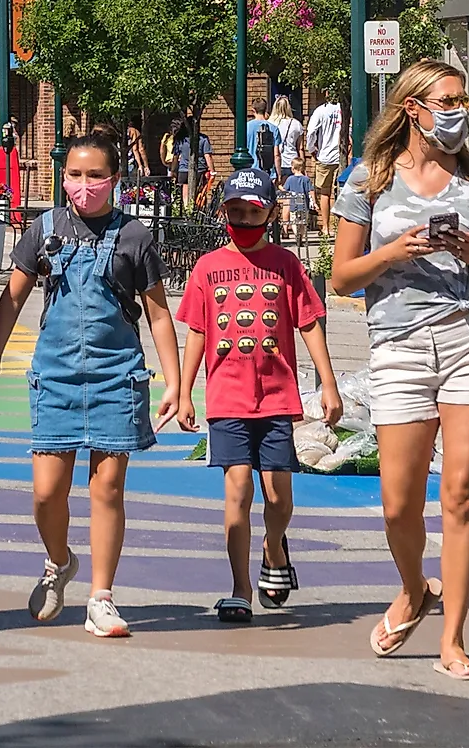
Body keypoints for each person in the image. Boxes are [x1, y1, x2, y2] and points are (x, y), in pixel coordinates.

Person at [329, 59, 469, 682]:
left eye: (462, 100)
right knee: (398, 505)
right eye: (448, 101)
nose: (459, 111)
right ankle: (415, 589)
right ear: (413, 108)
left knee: (460, 496)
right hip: (399, 347)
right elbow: (341, 278)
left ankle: (454, 641)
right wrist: (392, 252)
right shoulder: (369, 180)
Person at [0, 129, 184, 639]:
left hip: (117, 376)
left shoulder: (135, 237)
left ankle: (102, 597)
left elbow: (159, 315)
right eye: (75, 174)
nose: (84, 184)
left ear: (115, 179)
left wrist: (176, 383)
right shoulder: (44, 229)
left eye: (95, 175)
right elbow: (13, 297)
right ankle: (59, 561)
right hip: (56, 377)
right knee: (46, 493)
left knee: (107, 489)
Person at [179, 168, 340, 623]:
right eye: (235, 211)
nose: (244, 220)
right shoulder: (207, 267)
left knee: (278, 495)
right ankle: (240, 588)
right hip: (227, 397)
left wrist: (328, 383)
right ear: (223, 212)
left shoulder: (285, 264)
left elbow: (308, 322)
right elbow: (197, 331)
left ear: (270, 213)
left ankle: (273, 546)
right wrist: (185, 391)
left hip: (275, 397)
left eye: (253, 212)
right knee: (238, 491)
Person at [306, 96, 346, 235]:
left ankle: (326, 227)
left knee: (325, 192)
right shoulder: (345, 108)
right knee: (341, 191)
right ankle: (340, 227)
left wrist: (312, 149)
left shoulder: (320, 110)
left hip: (325, 156)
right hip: (342, 155)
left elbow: (311, 132)